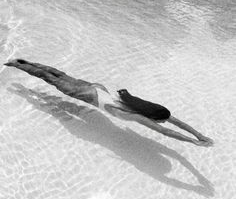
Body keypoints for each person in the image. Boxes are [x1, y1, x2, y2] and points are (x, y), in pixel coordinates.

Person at [4, 59, 213, 147]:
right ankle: (16, 64)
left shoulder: (144, 106)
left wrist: (200, 135)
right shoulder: (137, 116)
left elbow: (174, 122)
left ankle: (24, 61)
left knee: (58, 73)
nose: (164, 122)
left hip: (97, 87)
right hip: (85, 95)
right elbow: (167, 132)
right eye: (161, 121)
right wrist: (193, 142)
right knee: (47, 78)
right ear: (153, 118)